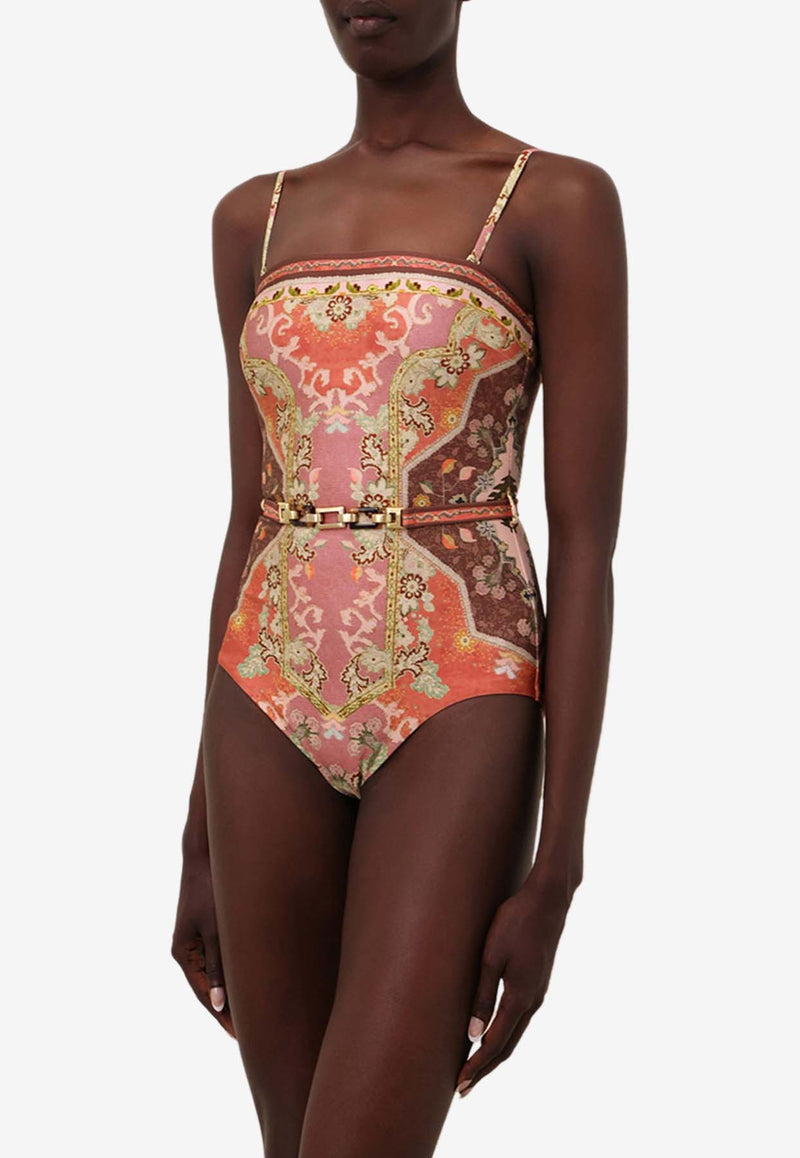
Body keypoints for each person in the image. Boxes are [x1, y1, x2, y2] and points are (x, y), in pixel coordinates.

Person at [171, 1, 627, 1154]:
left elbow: (584, 545)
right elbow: (249, 515)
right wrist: (196, 835)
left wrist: (557, 870)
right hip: (260, 697)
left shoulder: (553, 201)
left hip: (459, 690)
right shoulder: (250, 219)